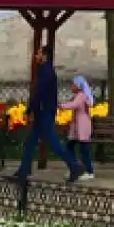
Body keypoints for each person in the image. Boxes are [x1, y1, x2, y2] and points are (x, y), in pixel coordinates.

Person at [13, 47, 73, 179]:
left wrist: (29, 110)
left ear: (44, 55)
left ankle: (74, 166)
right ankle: (24, 170)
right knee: (30, 142)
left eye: (39, 53)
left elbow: (39, 93)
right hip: (42, 112)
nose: (36, 55)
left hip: (44, 112)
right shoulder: (45, 70)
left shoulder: (46, 71)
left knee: (54, 143)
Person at [63, 76, 95, 181]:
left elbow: (74, 105)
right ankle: (75, 167)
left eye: (73, 84)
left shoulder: (81, 96)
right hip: (78, 127)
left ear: (78, 86)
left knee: (83, 149)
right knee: (70, 146)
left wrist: (59, 106)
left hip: (82, 126)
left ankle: (89, 171)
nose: (71, 86)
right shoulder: (79, 95)